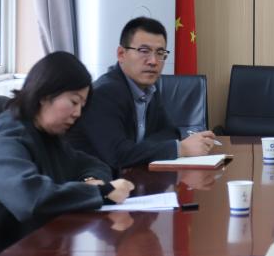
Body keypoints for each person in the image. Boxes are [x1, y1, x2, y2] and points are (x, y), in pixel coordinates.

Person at [0, 51, 134, 256]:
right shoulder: (3, 140)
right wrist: (100, 192)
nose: (77, 113)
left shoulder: (46, 134)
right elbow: (29, 199)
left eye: (82, 106)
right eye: (74, 102)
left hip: (22, 246)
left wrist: (91, 180)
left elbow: (90, 163)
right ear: (45, 96)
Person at [68, 17, 217, 170]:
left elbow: (170, 132)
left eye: (160, 53)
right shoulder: (104, 94)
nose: (153, 61)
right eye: (144, 51)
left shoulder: (149, 88)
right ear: (121, 54)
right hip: (93, 181)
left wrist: (137, 149)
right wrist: (180, 149)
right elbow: (118, 155)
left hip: (132, 176)